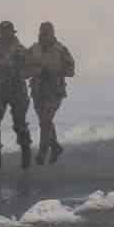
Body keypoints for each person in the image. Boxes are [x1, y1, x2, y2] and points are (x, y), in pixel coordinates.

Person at [24, 21, 75, 165]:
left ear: (52, 33)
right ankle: (56, 147)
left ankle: (42, 152)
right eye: (43, 32)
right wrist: (34, 71)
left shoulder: (61, 50)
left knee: (45, 120)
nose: (44, 35)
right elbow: (24, 69)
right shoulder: (33, 49)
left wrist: (54, 70)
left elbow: (71, 70)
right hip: (37, 91)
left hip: (54, 91)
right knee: (45, 121)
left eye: (47, 32)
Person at [0, 20, 33, 169]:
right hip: (0, 90)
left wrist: (20, 72)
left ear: (12, 32)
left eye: (8, 31)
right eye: (3, 31)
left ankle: (26, 158)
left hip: (18, 90)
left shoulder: (20, 49)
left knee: (20, 124)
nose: (5, 34)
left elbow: (30, 68)